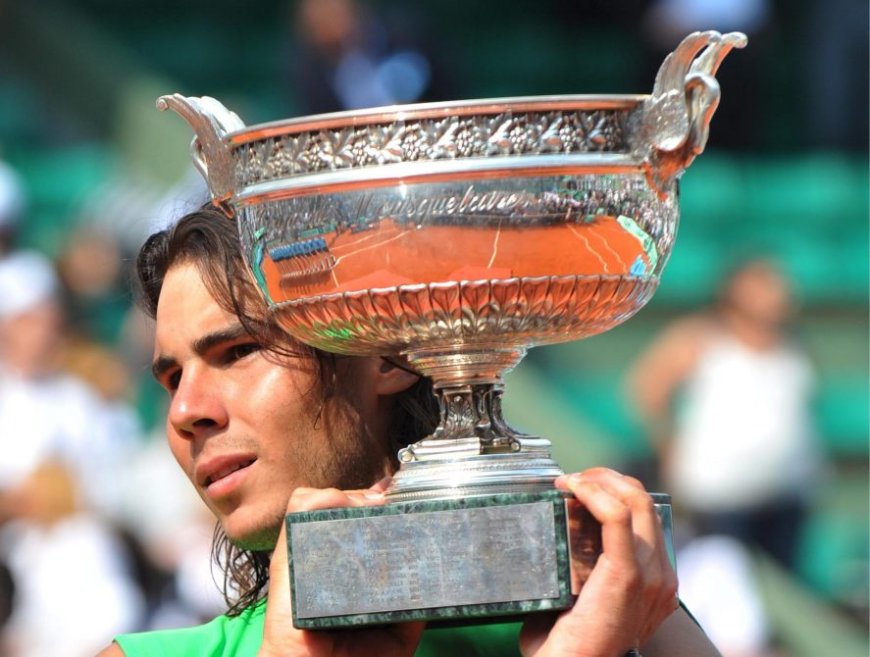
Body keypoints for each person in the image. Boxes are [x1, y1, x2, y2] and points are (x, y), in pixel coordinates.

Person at [97, 203, 724, 657]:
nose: (185, 411)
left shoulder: (626, 607)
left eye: (238, 352)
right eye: (172, 378)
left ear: (391, 356)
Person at [626, 256, 824, 572]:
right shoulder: (699, 337)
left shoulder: (793, 344)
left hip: (785, 493)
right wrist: (669, 448)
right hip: (718, 495)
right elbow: (648, 390)